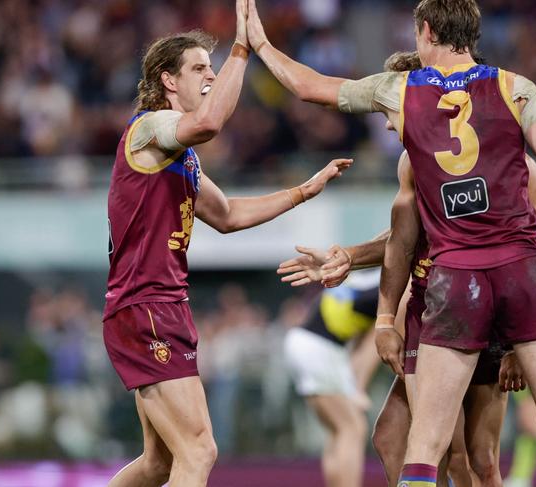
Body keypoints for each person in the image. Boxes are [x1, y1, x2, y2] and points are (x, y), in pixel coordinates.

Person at [246, 2, 536, 484]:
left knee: (426, 446)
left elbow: (307, 87)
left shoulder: (401, 89)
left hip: (456, 279)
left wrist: (260, 45)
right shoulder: (516, 87)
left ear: (425, 31)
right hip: (524, 269)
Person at [102, 4, 353, 486]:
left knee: (161, 463)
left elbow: (229, 216)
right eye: (199, 69)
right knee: (199, 451)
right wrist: (244, 46)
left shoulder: (183, 157)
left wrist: (303, 190)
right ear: (167, 80)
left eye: (212, 69)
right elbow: (211, 123)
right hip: (147, 306)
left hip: (157, 306)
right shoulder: (149, 128)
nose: (210, 78)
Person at [284, 269, 383, 487]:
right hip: (321, 347)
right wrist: (358, 387)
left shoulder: (372, 276)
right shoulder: (396, 287)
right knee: (353, 428)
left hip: (304, 341)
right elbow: (373, 343)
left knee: (338, 429)